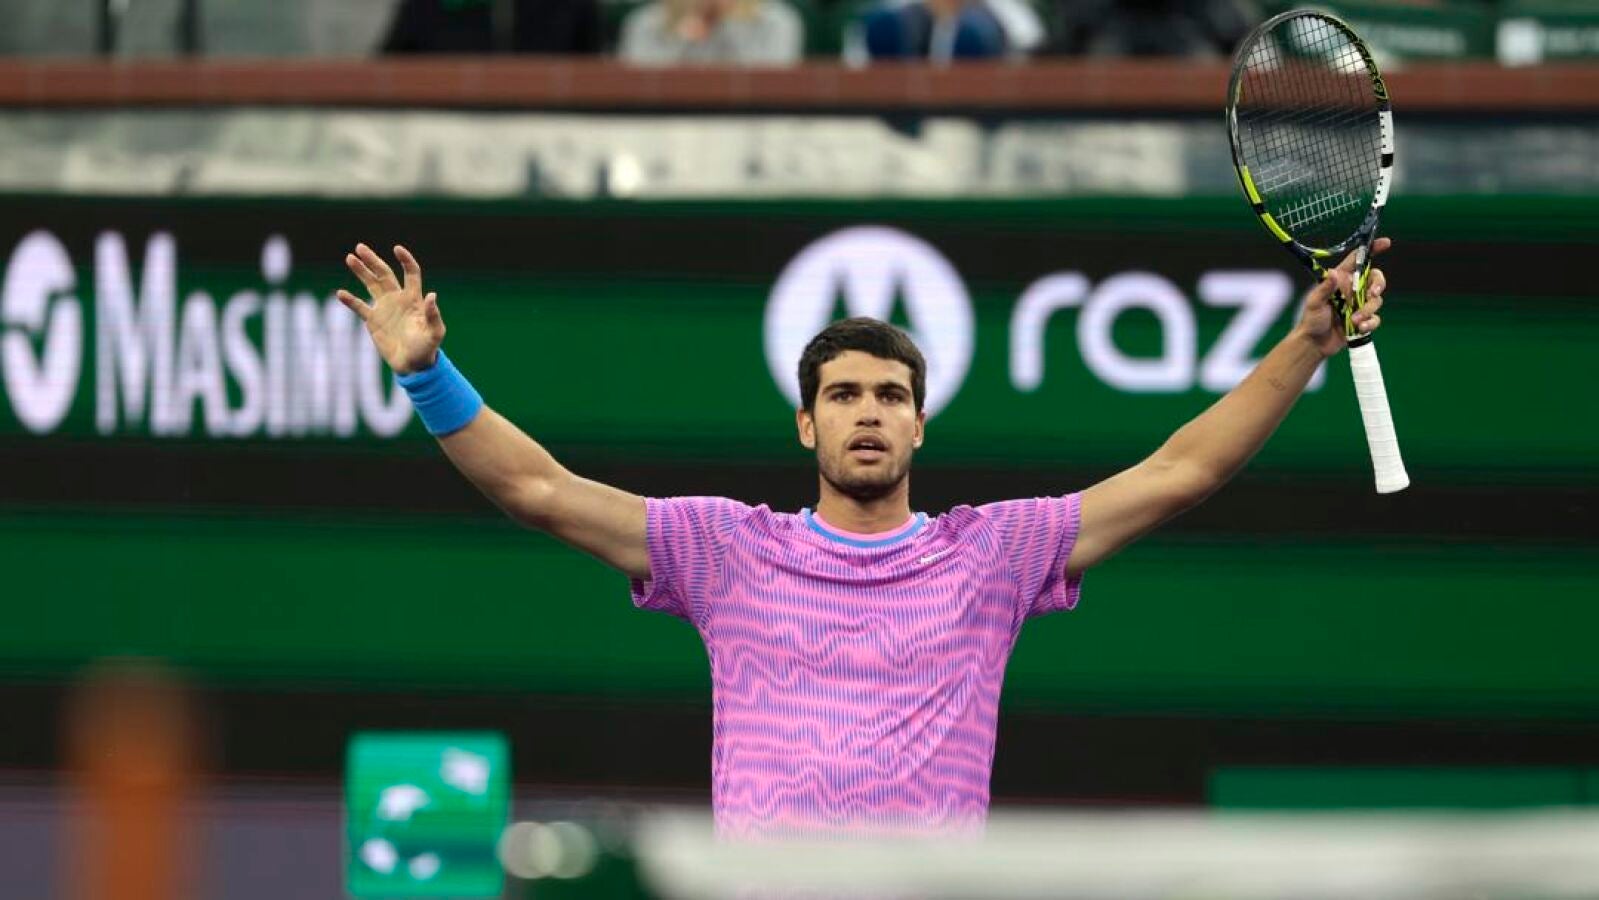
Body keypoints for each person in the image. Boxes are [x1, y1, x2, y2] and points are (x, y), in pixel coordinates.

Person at [336, 239, 1389, 838]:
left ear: (921, 423)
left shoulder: (995, 552)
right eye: (843, 395)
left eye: (890, 395)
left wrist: (1305, 344)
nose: (868, 413)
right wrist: (425, 374)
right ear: (807, 424)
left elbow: (1179, 473)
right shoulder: (722, 549)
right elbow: (539, 489)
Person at [618, 0, 803, 66]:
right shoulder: (645, 22)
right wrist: (683, 36)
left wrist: (729, 22)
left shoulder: (778, 21)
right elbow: (635, 84)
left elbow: (775, 83)